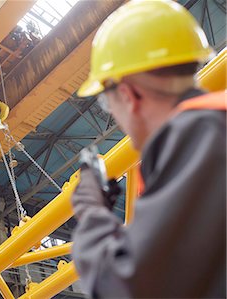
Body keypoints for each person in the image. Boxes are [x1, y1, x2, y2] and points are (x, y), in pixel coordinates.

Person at [71, 0, 226, 298]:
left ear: (129, 95)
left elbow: (128, 286)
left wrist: (91, 211)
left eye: (106, 103)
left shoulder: (198, 135)